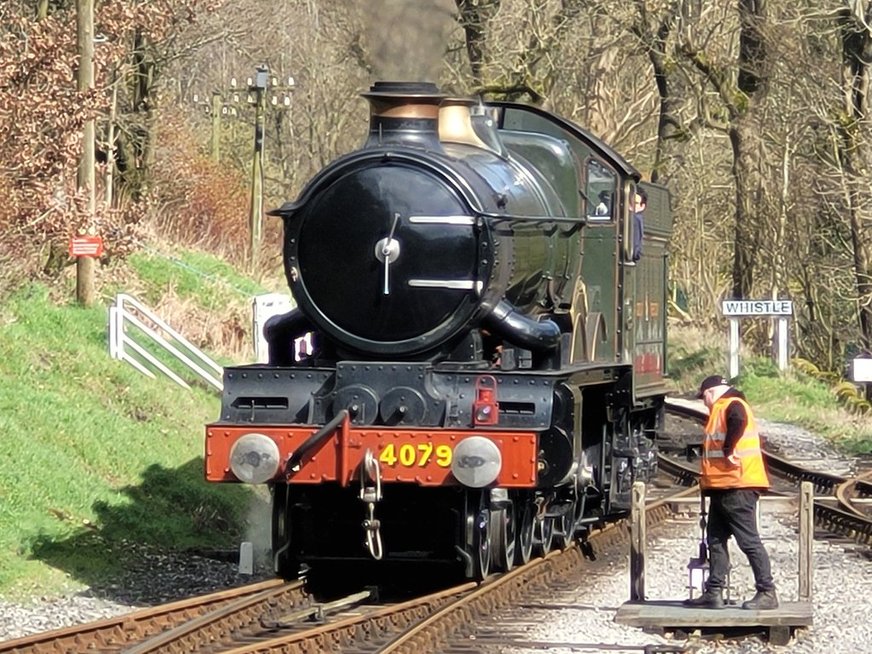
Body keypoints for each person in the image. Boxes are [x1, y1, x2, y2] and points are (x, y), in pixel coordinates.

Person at [683, 375, 778, 610]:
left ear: (711, 392)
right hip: (723, 486)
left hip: (738, 485)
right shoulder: (723, 407)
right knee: (715, 539)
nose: (704, 402)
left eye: (704, 397)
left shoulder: (731, 404)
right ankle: (713, 592)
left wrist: (728, 448)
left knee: (748, 541)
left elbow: (738, 421)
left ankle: (767, 592)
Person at [632, 188, 647, 262]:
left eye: (636, 203)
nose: (631, 205)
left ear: (642, 206)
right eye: (630, 202)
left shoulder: (635, 219)